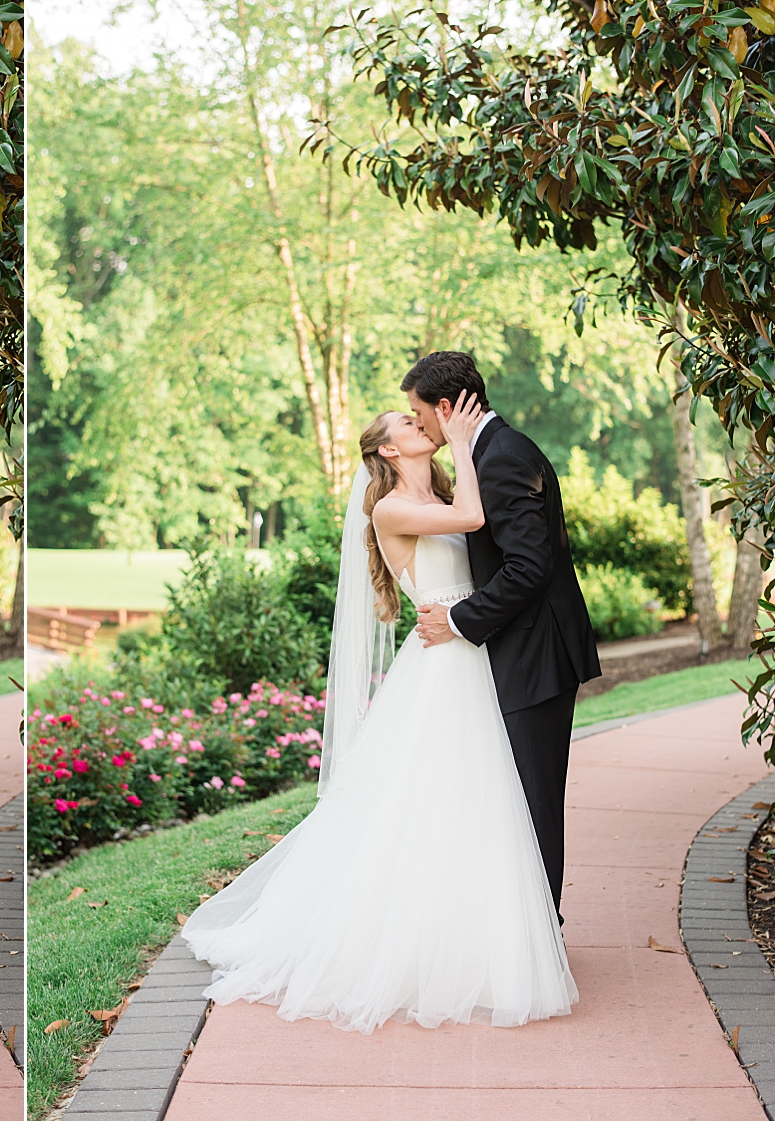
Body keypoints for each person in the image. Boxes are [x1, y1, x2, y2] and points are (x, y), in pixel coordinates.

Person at [181, 389, 579, 1034]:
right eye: (408, 422)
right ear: (390, 449)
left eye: (421, 414)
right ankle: (414, 943)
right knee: (426, 800)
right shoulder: (395, 506)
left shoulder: (434, 498)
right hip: (445, 658)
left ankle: (477, 936)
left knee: (475, 802)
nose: (421, 423)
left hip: (467, 648)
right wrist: (462, 440)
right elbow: (477, 521)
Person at [405, 352, 600, 923]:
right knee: (515, 798)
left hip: (535, 654)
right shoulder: (493, 452)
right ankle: (526, 931)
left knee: (534, 801)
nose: (419, 427)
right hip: (524, 649)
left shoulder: (502, 460)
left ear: (446, 407)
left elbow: (528, 568)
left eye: (420, 416)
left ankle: (541, 934)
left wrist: (459, 620)